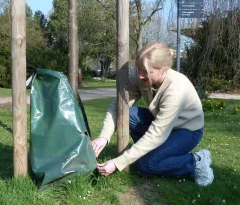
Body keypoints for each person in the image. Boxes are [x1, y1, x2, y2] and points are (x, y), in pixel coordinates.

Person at [91, 42, 214, 186]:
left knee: (147, 165)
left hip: (187, 131)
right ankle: (149, 154)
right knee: (127, 114)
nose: (141, 75)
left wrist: (118, 163)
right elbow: (118, 107)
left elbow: (157, 134)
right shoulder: (139, 76)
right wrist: (104, 137)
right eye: (139, 69)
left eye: (147, 72)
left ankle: (195, 162)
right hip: (161, 124)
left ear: (164, 69)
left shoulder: (176, 90)